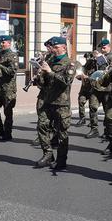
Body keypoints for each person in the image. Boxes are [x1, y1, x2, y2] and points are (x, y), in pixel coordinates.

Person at [34, 36, 75, 170]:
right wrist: (39, 75)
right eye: (54, 48)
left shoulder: (70, 64)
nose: (55, 50)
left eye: (57, 48)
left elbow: (66, 81)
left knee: (62, 133)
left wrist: (50, 72)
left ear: (64, 47)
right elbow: (43, 84)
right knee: (42, 126)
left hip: (61, 104)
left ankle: (61, 160)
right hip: (48, 101)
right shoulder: (50, 61)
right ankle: (47, 154)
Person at [86, 39, 112, 139]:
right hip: (96, 86)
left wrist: (98, 58)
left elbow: (107, 63)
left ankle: (107, 130)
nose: (102, 49)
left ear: (109, 46)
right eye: (101, 48)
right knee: (92, 107)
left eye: (104, 47)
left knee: (107, 110)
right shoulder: (98, 57)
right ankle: (94, 128)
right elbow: (90, 69)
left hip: (107, 87)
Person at [0, 35, 18, 141]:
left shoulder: (12, 55)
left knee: (7, 112)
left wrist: (0, 66)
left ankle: (8, 133)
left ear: (9, 43)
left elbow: (12, 71)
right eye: (0, 43)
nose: (1, 44)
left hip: (8, 88)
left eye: (3, 43)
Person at [75, 52, 93, 126]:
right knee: (81, 101)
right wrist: (79, 77)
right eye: (86, 58)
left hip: (92, 88)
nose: (87, 59)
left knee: (92, 106)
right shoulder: (83, 67)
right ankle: (82, 118)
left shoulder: (94, 66)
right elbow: (80, 77)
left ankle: (92, 121)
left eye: (89, 57)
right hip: (84, 88)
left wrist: (88, 77)